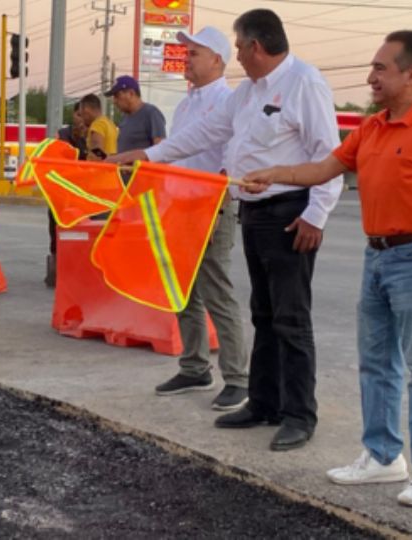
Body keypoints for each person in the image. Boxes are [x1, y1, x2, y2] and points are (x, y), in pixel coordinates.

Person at [243, 30, 412, 507]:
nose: (371, 77)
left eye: (380, 68)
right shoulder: (372, 127)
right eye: (372, 68)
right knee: (376, 363)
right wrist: (274, 175)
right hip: (377, 256)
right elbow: (323, 169)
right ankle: (383, 455)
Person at [110, 9, 343, 451]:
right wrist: (147, 155)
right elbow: (204, 134)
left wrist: (317, 214)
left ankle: (299, 414)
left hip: (290, 213)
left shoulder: (303, 82)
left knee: (292, 320)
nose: (235, 53)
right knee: (264, 314)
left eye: (238, 46)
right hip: (254, 213)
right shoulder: (248, 94)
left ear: (256, 46)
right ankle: (264, 402)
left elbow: (328, 156)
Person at [147, 27, 249, 412]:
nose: (186, 58)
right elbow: (176, 152)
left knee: (216, 290)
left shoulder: (228, 100)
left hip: (212, 205)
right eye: (186, 51)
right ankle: (194, 367)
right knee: (182, 291)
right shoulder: (186, 103)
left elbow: (231, 152)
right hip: (179, 204)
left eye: (194, 52)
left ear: (217, 61)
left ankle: (238, 378)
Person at [45, 102, 90, 287]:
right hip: (61, 190)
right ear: (73, 115)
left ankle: (81, 268)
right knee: (56, 226)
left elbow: (102, 156)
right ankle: (56, 263)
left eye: (83, 116)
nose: (80, 120)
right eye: (77, 115)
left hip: (84, 192)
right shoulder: (63, 135)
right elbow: (55, 156)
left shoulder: (94, 135)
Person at [105, 75, 166, 153]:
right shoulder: (125, 117)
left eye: (117, 96)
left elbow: (159, 150)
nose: (114, 101)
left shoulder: (151, 113)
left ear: (131, 93)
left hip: (141, 165)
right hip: (122, 165)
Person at [78, 94, 118, 161]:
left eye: (81, 115)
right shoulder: (110, 123)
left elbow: (97, 151)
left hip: (99, 169)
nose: (82, 119)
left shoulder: (97, 125)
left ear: (86, 110)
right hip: (112, 169)